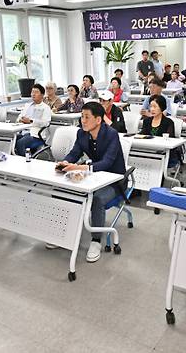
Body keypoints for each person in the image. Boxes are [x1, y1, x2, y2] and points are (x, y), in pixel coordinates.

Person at [57, 102, 126, 262]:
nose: (83, 120)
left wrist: (80, 167)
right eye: (82, 116)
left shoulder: (111, 134)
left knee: (97, 199)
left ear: (98, 120)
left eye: (87, 117)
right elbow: (74, 153)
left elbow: (107, 163)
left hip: (114, 181)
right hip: (93, 178)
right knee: (65, 190)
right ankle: (63, 233)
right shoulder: (82, 134)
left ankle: (96, 241)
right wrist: (66, 163)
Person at [15, 84, 52, 156]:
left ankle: (25, 162)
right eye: (32, 92)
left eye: (36, 92)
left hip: (35, 135)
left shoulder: (45, 107)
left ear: (42, 95)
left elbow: (46, 123)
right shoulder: (27, 106)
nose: (33, 94)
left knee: (20, 143)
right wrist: (20, 120)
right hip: (23, 131)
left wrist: (31, 121)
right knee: (12, 140)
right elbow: (19, 117)